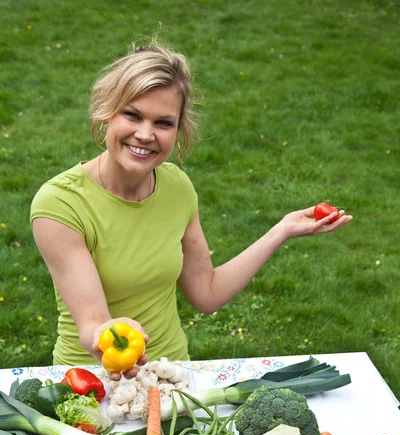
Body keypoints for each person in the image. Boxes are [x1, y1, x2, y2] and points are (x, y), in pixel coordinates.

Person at [31, 39, 352, 381]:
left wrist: (281, 231)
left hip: (172, 373)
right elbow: (92, 324)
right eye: (132, 115)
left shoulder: (177, 186)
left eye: (163, 123)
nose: (145, 134)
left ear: (179, 130)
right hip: (91, 380)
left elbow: (206, 293)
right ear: (106, 112)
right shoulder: (59, 204)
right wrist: (112, 332)